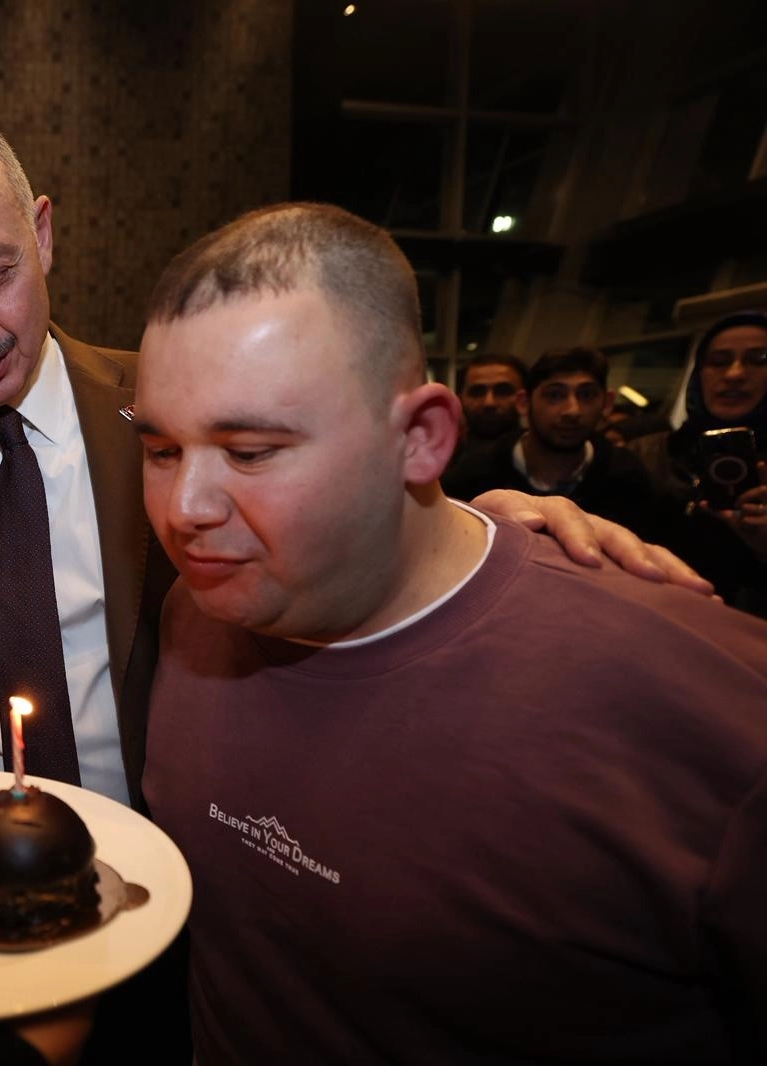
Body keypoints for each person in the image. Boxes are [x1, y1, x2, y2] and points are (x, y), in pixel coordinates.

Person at [0, 106, 702, 811]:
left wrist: (471, 528)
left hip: (183, 867)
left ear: (43, 234)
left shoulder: (175, 402)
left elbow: (333, 524)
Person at [135, 203, 767, 1064]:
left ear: (423, 439)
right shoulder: (194, 612)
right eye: (162, 450)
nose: (183, 509)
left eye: (249, 451)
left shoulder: (710, 708)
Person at [443, 346, 676, 541]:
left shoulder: (627, 475)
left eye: (587, 395)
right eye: (554, 395)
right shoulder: (473, 474)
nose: (572, 411)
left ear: (606, 403)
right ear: (524, 403)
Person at [627, 310, 767, 612]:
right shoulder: (644, 454)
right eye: (718, 361)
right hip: (641, 617)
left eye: (759, 359)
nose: (735, 374)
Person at [451, 351, 525, 457]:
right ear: (460, 400)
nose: (489, 403)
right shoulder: (442, 460)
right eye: (477, 392)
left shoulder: (543, 460)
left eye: (503, 391)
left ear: (524, 400)